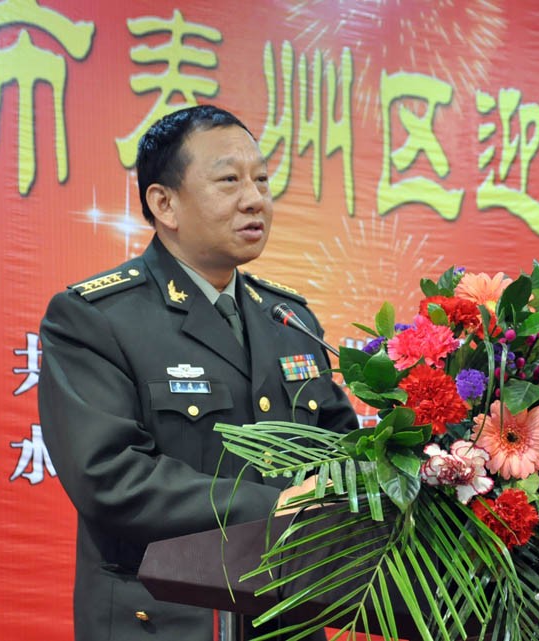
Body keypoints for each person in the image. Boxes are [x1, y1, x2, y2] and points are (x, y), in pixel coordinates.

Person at [38, 104, 358, 641]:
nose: (254, 199)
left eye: (261, 180)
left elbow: (340, 446)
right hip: (165, 619)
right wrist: (275, 506)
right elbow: (109, 478)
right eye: (229, 180)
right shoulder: (96, 318)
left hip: (288, 616)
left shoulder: (289, 319)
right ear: (163, 203)